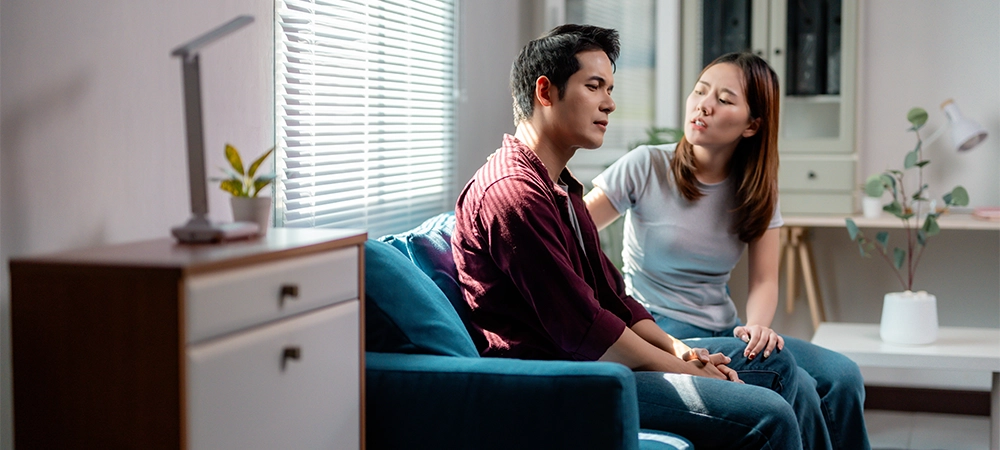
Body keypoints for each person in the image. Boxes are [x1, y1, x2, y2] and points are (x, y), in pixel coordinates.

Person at [452, 24, 808, 449]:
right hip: (563, 378)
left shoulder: (560, 188)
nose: (610, 103)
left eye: (610, 88)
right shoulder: (514, 195)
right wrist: (683, 369)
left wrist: (681, 352)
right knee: (769, 415)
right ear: (545, 92)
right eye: (594, 87)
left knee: (779, 367)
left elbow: (613, 297)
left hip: (594, 361)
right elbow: (584, 330)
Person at [585, 51, 870, 450]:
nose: (704, 105)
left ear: (752, 125)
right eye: (700, 91)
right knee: (802, 387)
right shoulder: (645, 165)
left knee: (843, 376)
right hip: (663, 327)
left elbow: (765, 279)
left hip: (725, 326)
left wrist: (758, 327)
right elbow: (573, 232)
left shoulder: (755, 188)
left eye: (723, 99)